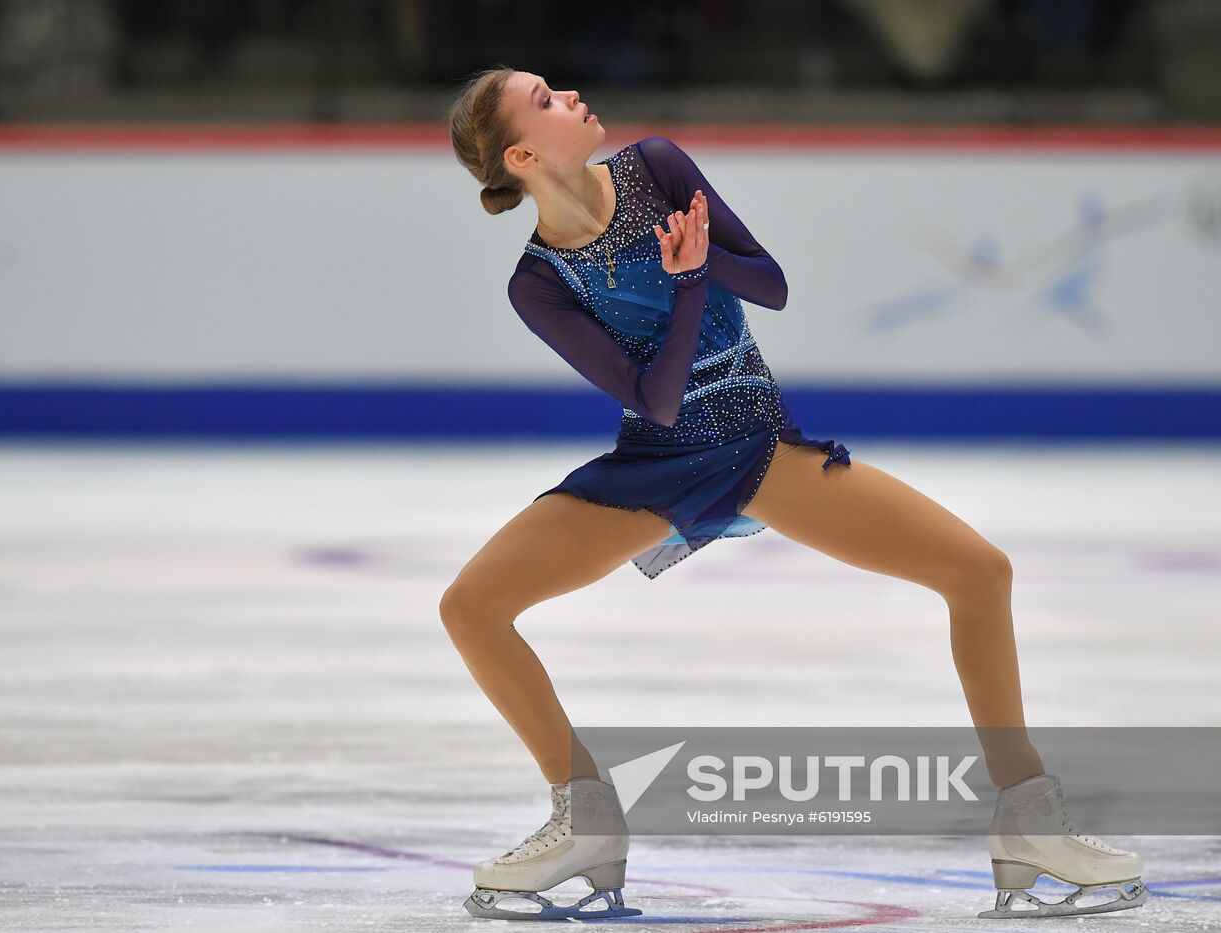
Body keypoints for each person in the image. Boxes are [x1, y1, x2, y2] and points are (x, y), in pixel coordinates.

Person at [442, 66, 1148, 922]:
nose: (570, 97)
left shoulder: (656, 167)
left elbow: (771, 285)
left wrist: (701, 263)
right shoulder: (541, 283)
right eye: (545, 101)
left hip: (755, 446)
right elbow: (655, 399)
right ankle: (583, 814)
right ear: (520, 156)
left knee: (979, 571)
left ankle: (1030, 819)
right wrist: (686, 280)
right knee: (471, 606)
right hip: (655, 464)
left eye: (555, 86)